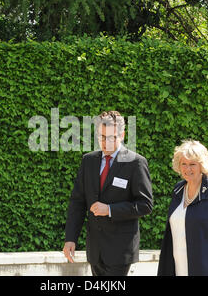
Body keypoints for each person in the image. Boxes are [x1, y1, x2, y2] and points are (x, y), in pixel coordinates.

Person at [63, 111, 153, 276]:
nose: (106, 143)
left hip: (121, 250)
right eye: (102, 137)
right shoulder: (88, 161)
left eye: (111, 137)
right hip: (95, 250)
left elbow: (145, 205)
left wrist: (110, 210)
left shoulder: (135, 162)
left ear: (122, 135)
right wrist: (70, 238)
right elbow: (78, 202)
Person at [158, 140, 208, 276]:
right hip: (177, 265)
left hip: (206, 267)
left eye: (192, 164)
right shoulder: (178, 190)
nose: (187, 169)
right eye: (183, 164)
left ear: (202, 166)